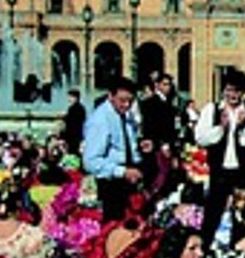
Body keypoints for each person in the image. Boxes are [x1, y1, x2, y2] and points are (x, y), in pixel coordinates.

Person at [195, 67, 245, 245]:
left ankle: (239, 251)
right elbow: (201, 138)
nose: (232, 95)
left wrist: (241, 128)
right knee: (212, 213)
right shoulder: (211, 110)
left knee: (242, 215)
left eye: (237, 91)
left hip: (242, 171)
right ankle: (206, 248)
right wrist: (221, 128)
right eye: (229, 90)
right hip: (219, 170)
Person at [81, 76, 144, 224]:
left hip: (127, 179)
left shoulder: (124, 116)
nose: (126, 105)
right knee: (113, 226)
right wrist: (121, 171)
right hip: (110, 184)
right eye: (122, 100)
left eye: (130, 101)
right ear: (110, 96)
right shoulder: (100, 119)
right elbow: (90, 161)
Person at [137, 70, 179, 196]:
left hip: (166, 144)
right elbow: (151, 127)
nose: (168, 87)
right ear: (157, 85)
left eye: (169, 85)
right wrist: (163, 144)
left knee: (165, 176)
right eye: (165, 84)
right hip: (157, 146)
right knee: (158, 175)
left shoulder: (168, 103)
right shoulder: (150, 103)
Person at [60, 88, 87, 155]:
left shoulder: (72, 109)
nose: (68, 99)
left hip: (72, 136)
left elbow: (71, 123)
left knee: (72, 152)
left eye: (70, 97)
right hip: (79, 135)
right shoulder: (82, 108)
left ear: (75, 98)